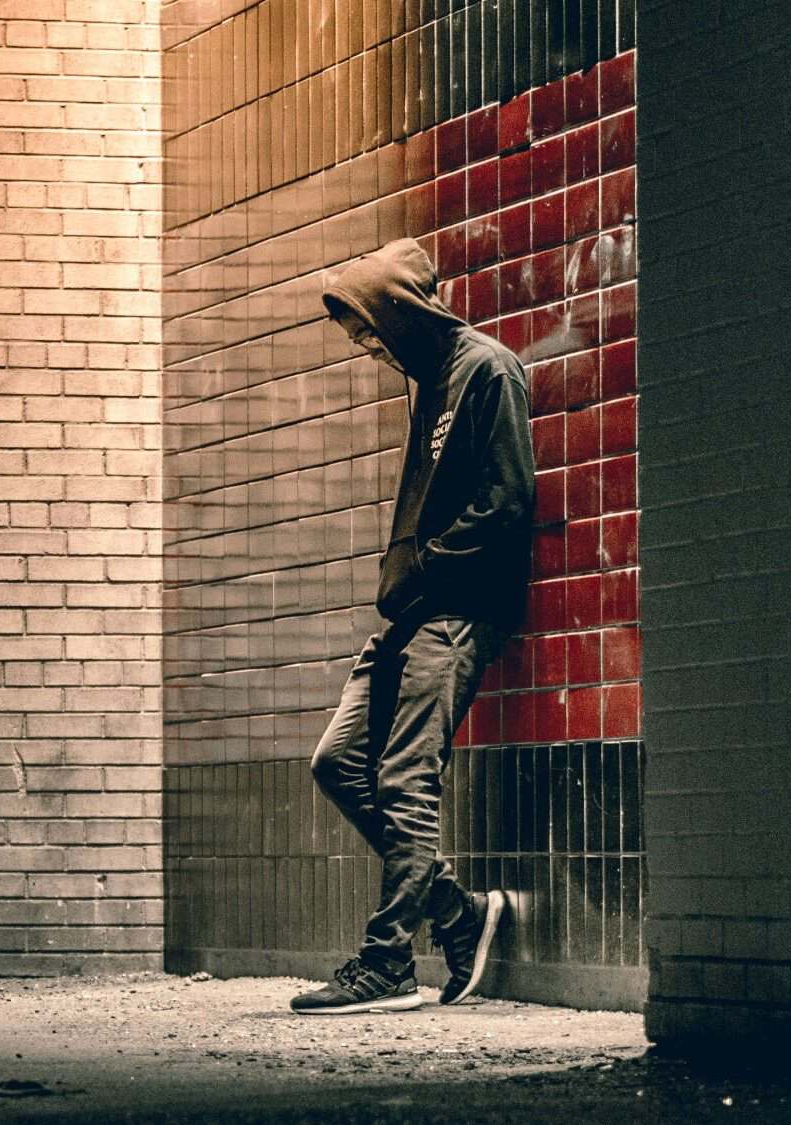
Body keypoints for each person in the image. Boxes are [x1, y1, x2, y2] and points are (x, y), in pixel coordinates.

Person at [290, 239, 535, 1015]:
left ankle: (389, 960)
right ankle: (457, 912)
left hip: (457, 610)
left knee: (404, 777)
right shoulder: (429, 383)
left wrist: (427, 565)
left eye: (370, 331)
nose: (369, 348)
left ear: (402, 312)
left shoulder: (487, 370)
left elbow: (508, 500)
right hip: (411, 610)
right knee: (338, 761)